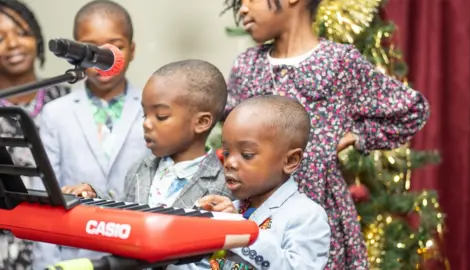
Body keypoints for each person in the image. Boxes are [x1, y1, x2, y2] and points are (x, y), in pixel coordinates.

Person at [222, 0, 430, 269]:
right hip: (254, 211)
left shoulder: (340, 63)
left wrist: (356, 136)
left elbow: (412, 110)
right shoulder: (247, 66)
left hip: (319, 209)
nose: (243, 9)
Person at [32, 0, 149, 268]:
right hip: (73, 256)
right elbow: (44, 197)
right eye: (91, 49)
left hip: (137, 252)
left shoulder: (154, 109)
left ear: (131, 50)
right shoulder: (54, 113)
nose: (102, 58)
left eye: (115, 46)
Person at [170, 95, 330, 270]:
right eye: (227, 152)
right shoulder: (233, 209)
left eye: (246, 154)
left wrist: (240, 229)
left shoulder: (307, 215)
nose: (229, 162)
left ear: (290, 160)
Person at [63, 59, 232, 208]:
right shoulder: (138, 170)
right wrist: (94, 197)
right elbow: (126, 215)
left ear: (201, 123)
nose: (146, 123)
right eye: (145, 114)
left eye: (161, 116)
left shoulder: (223, 184)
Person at [0, 0, 71, 269]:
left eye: (22, 33)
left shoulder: (65, 99)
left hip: (60, 243)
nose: (13, 44)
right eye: (0, 37)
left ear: (38, 39)